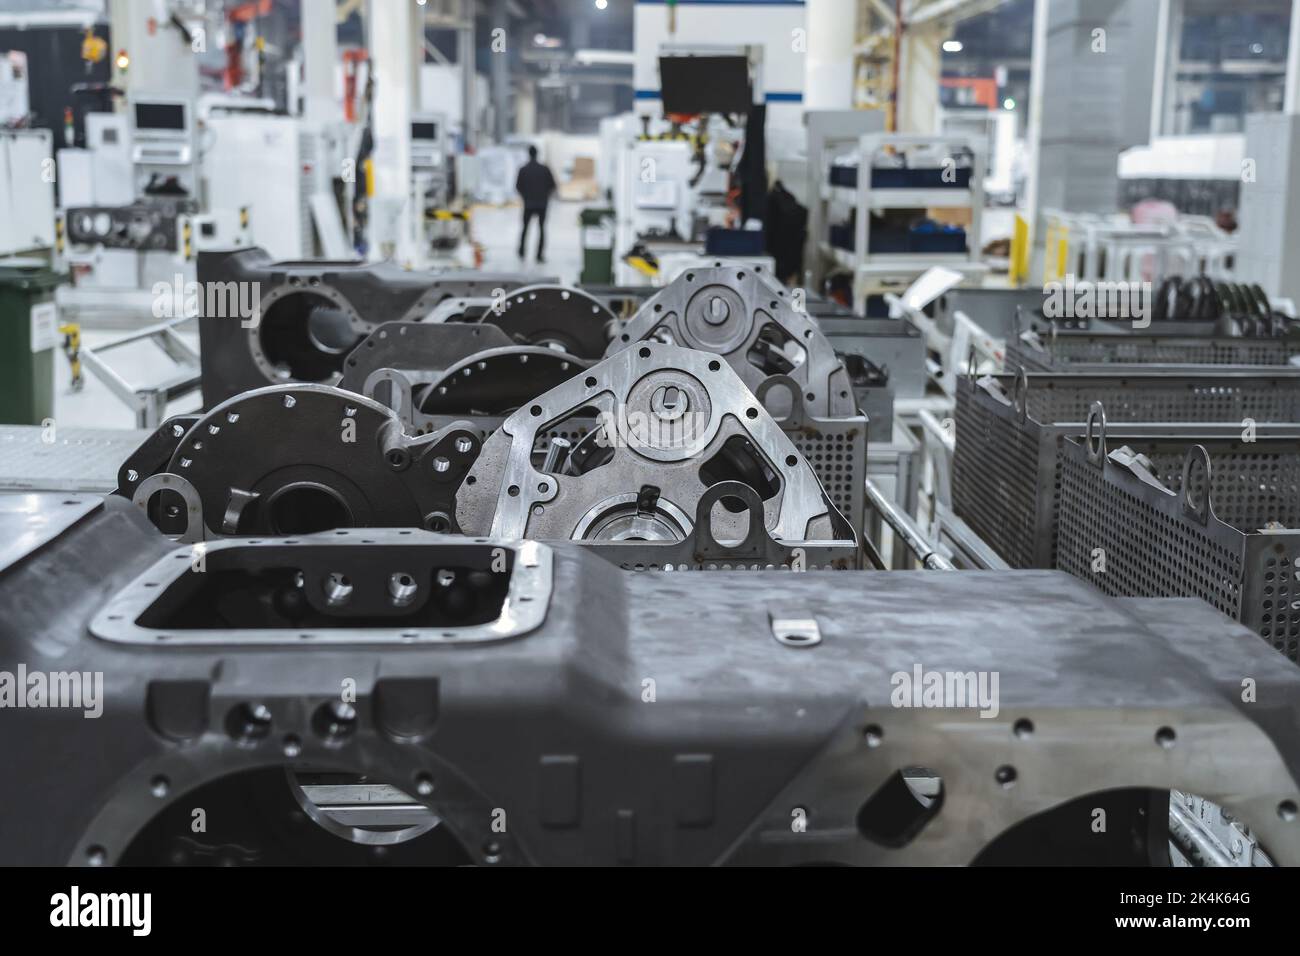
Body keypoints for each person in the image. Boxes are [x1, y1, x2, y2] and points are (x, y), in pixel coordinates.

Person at [515, 145, 557, 263]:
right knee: (542, 229)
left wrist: (525, 196)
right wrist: (545, 195)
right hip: (542, 204)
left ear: (529, 154)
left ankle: (522, 252)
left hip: (528, 204)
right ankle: (539, 255)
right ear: (537, 154)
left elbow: (518, 186)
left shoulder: (523, 169)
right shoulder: (544, 169)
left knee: (524, 229)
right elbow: (553, 185)